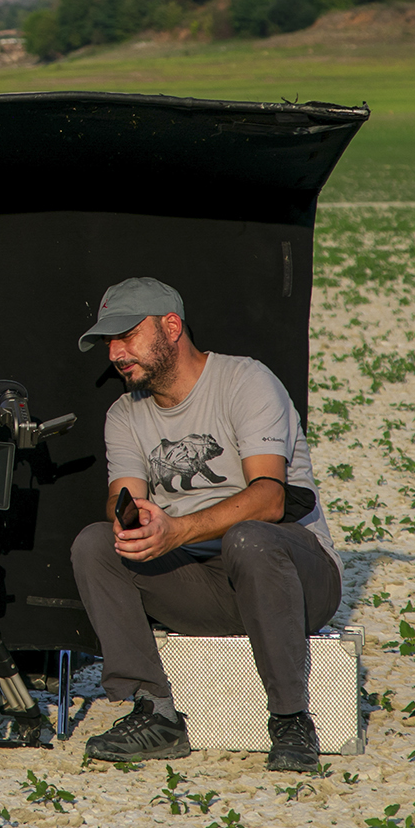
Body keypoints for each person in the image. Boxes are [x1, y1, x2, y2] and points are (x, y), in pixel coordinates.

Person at [69, 277, 341, 772]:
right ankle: (154, 712)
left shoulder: (245, 380)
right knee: (95, 544)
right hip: (206, 588)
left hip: (296, 579)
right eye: (109, 341)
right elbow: (120, 494)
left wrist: (175, 531)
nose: (116, 352)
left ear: (171, 327)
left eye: (127, 335)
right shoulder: (122, 415)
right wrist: (130, 517)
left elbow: (270, 498)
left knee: (249, 537)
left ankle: (290, 718)